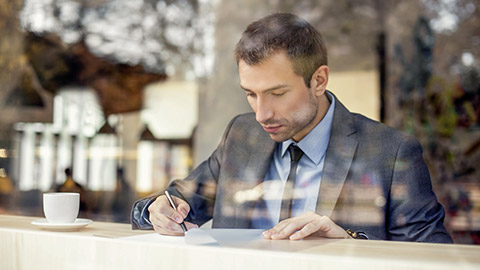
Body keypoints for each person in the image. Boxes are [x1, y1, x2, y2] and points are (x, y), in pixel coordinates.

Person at [131, 13, 452, 243]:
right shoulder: (241, 136)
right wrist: (156, 211)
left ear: (319, 80)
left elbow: (433, 258)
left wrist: (348, 243)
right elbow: (176, 202)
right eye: (251, 94)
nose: (261, 113)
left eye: (277, 93)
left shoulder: (391, 151)